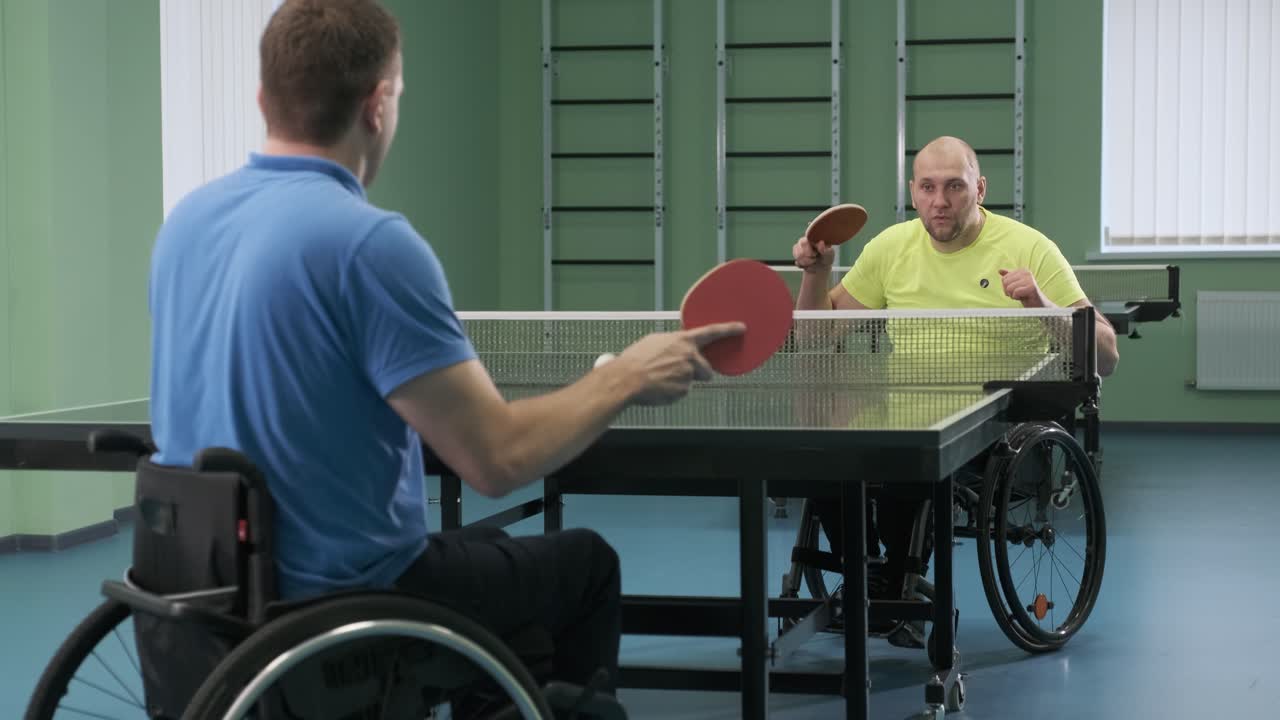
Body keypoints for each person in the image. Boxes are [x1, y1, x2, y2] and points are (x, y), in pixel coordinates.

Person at [148, 0, 743, 698]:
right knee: (585, 564)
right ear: (377, 105)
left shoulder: (187, 220)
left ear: (263, 98)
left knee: (491, 559)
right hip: (341, 600)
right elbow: (497, 460)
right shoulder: (368, 244)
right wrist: (623, 377)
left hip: (208, 594)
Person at [790, 135, 1118, 646]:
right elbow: (815, 335)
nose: (940, 201)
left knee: (914, 466)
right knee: (820, 456)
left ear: (980, 189)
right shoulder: (890, 249)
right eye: (928, 187)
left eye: (954, 187)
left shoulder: (1029, 248)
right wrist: (819, 274)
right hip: (900, 411)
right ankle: (873, 572)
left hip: (996, 422)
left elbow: (1106, 355)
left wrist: (1043, 304)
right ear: (913, 192)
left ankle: (891, 583)